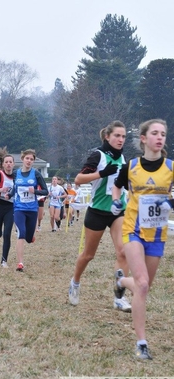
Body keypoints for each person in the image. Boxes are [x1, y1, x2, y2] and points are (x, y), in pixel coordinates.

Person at [111, 118, 174, 360]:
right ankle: (141, 343)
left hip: (157, 235)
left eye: (163, 134)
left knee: (142, 287)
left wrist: (166, 202)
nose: (160, 137)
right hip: (133, 230)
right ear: (144, 139)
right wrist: (117, 201)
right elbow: (117, 186)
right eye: (155, 133)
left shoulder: (170, 167)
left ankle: (120, 282)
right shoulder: (132, 166)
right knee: (143, 284)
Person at [68, 120, 131, 312]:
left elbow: (123, 184)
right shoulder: (98, 155)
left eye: (124, 137)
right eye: (117, 136)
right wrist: (101, 173)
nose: (121, 140)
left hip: (118, 210)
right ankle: (75, 283)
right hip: (97, 210)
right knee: (88, 255)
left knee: (123, 252)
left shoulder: (122, 159)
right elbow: (79, 179)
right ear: (107, 137)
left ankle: (119, 296)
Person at [9, 149, 48, 272]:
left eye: (31, 159)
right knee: (21, 233)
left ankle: (31, 237)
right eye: (27, 158)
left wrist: (35, 191)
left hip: (32, 209)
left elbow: (46, 191)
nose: (29, 161)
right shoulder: (16, 174)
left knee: (28, 237)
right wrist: (9, 195)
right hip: (19, 208)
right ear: (22, 159)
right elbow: (15, 188)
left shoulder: (36, 174)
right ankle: (20, 263)